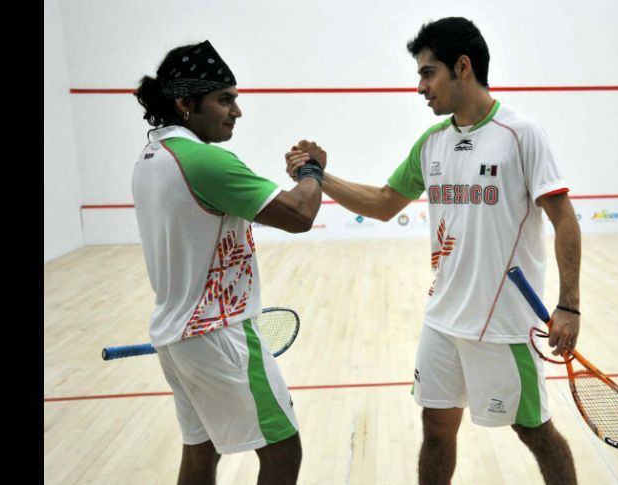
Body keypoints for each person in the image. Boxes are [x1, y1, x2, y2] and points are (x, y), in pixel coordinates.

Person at [286, 18, 580, 485]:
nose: (420, 86)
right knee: (436, 431)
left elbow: (564, 219)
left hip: (501, 324)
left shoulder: (521, 135)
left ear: (463, 67)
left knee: (535, 432)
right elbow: (384, 203)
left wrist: (569, 305)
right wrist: (320, 178)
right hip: (442, 319)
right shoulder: (433, 143)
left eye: (428, 73)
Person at [133, 40, 325, 485]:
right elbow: (299, 215)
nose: (236, 111)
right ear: (185, 103)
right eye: (224, 100)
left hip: (177, 336)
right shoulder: (204, 161)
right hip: (220, 333)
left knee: (201, 451)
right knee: (282, 450)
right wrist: (311, 171)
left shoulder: (151, 157)